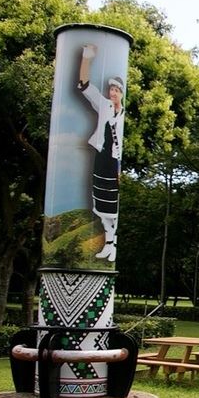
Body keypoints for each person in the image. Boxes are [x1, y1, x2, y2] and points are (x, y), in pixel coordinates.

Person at [77, 44, 124, 262]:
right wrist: (86, 58)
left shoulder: (122, 113)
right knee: (102, 205)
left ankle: (111, 244)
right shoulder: (103, 105)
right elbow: (85, 86)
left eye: (116, 90)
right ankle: (109, 244)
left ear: (121, 93)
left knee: (112, 207)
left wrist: (119, 169)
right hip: (101, 157)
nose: (112, 93)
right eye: (111, 90)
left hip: (113, 162)